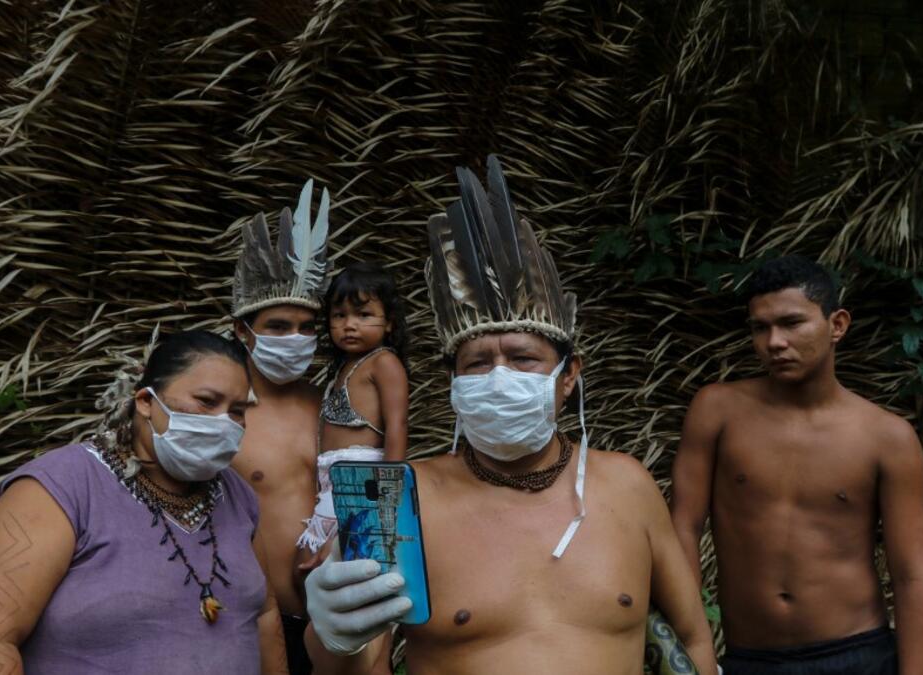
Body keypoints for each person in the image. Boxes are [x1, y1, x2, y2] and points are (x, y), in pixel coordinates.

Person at [301, 156, 719, 675]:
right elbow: (354, 667)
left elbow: (693, 638)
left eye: (522, 359)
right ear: (453, 384)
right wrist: (333, 634)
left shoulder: (626, 486)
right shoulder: (393, 498)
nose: (498, 377)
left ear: (568, 377)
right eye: (477, 363)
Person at [0, 330, 287, 674]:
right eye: (206, 401)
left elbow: (263, 614)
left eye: (237, 411)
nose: (224, 422)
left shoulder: (236, 495)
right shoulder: (63, 487)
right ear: (145, 401)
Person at [670, 255, 923, 675]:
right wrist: (695, 645)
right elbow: (683, 527)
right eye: (760, 327)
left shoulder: (887, 438)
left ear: (837, 325)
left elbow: (912, 574)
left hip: (858, 655)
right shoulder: (717, 411)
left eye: (792, 323)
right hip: (750, 658)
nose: (774, 342)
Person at [230, 179, 333, 675]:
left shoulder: (335, 407)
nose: (296, 338)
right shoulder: (219, 417)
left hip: (331, 622)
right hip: (242, 622)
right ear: (242, 331)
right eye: (278, 327)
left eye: (307, 327)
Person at [297, 261, 409, 556]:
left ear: (389, 322)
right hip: (330, 477)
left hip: (362, 478)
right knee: (323, 562)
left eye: (363, 315)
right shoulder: (342, 369)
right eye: (339, 316)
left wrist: (387, 492)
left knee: (315, 556)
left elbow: (397, 425)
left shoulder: (384, 362)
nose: (349, 324)